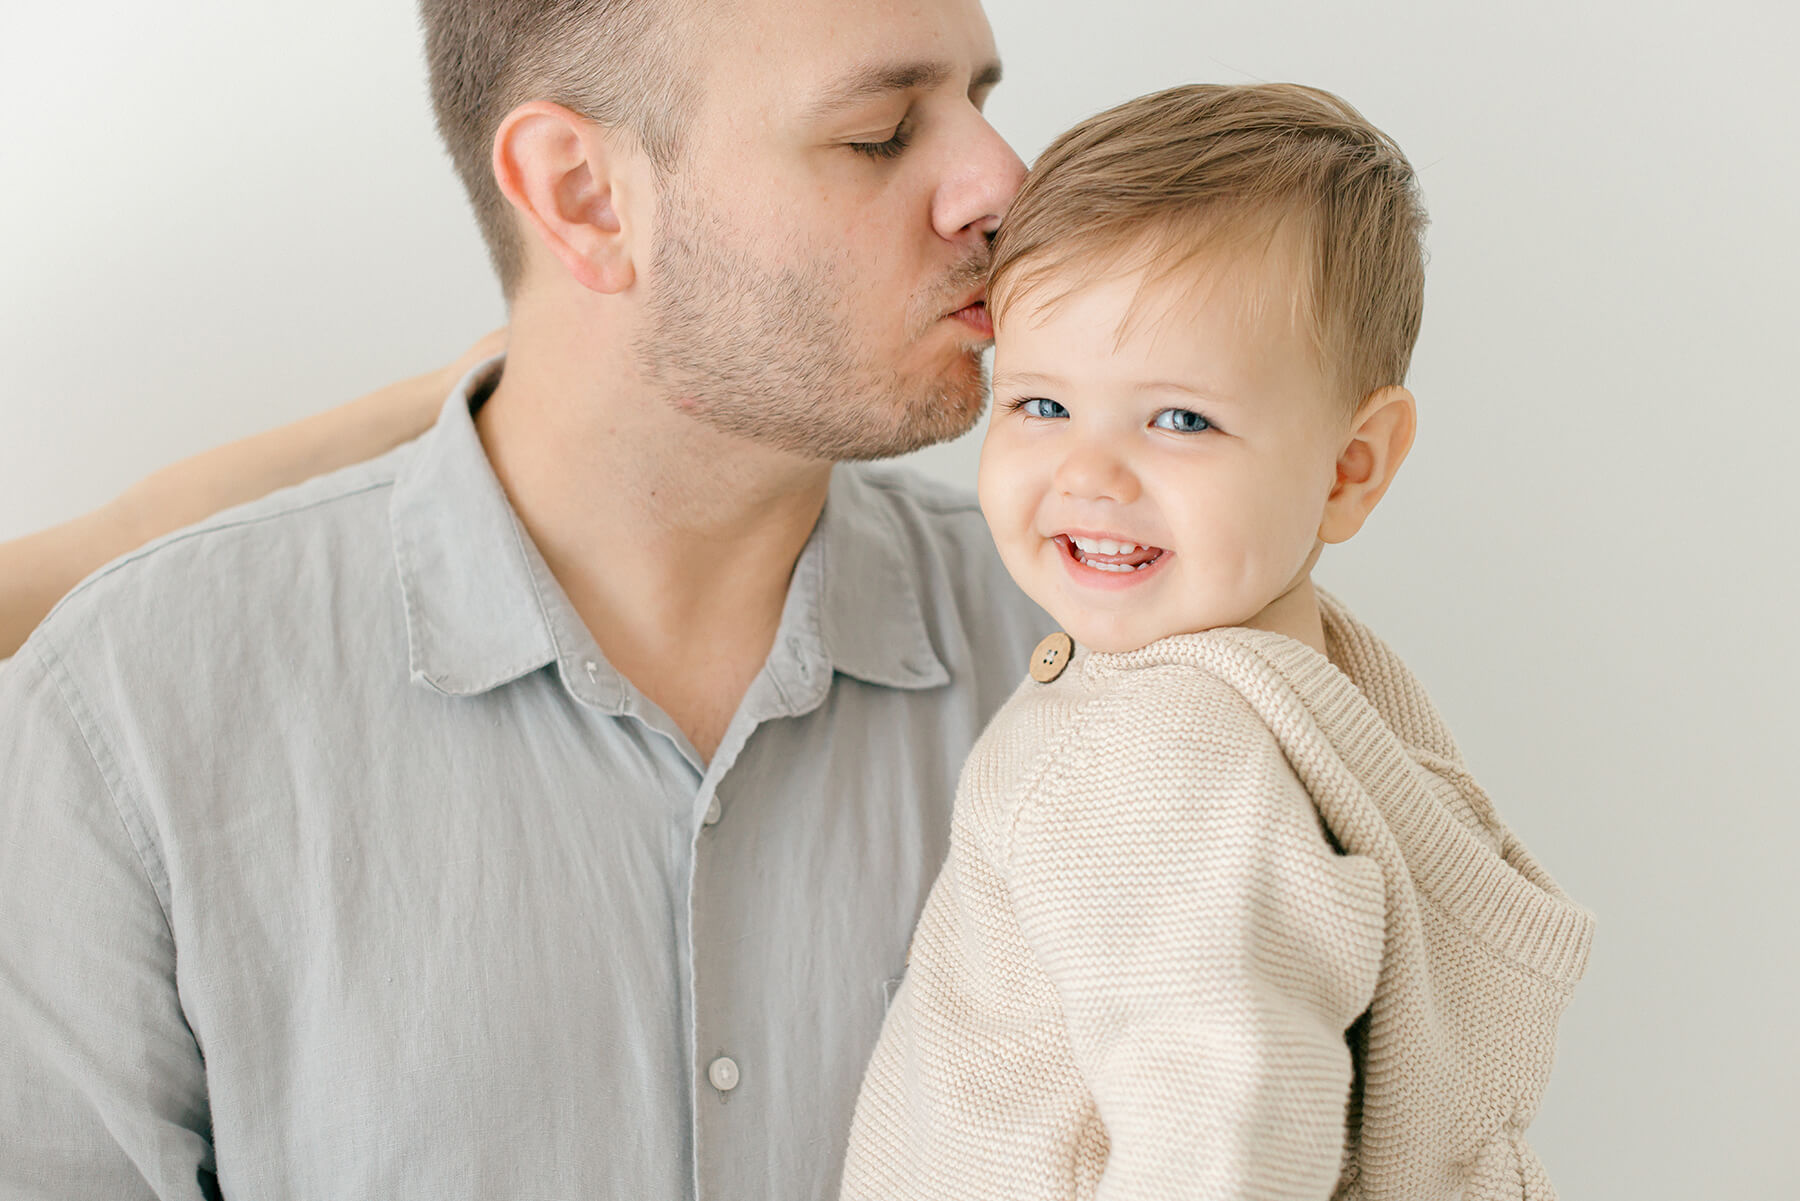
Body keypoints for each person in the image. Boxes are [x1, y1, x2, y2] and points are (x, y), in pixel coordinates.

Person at [0, 0, 1054, 1197]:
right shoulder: (126, 719)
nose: (1005, 181)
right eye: (879, 130)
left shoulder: (1105, 654)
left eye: (983, 103)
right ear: (584, 196)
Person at [839, 84, 1594, 1201]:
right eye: (1040, 404)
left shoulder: (1154, 749)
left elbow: (1227, 1113)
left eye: (1180, 418)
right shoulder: (1308, 684)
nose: (1089, 474)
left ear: (1352, 466)